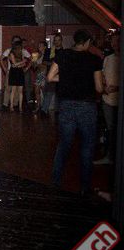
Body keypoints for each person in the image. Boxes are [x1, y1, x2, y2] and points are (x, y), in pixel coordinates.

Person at [48, 29, 104, 194]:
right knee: (87, 147)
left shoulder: (63, 55)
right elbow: (99, 88)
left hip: (66, 106)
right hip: (87, 107)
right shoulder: (94, 59)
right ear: (87, 42)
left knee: (64, 145)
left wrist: (67, 78)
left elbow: (50, 77)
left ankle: (55, 183)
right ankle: (85, 188)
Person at [96, 33, 119, 165]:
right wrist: (103, 86)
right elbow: (102, 75)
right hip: (107, 100)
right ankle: (109, 157)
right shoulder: (108, 58)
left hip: (118, 100)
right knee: (110, 129)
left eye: (117, 41)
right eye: (113, 41)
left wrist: (117, 88)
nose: (114, 44)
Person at [7, 44, 27, 112]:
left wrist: (19, 65)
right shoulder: (11, 54)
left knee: (21, 91)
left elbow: (23, 64)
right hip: (14, 73)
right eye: (20, 48)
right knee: (13, 90)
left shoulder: (22, 54)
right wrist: (22, 62)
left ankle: (20, 107)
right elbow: (14, 64)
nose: (21, 49)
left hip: (20, 72)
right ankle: (11, 106)